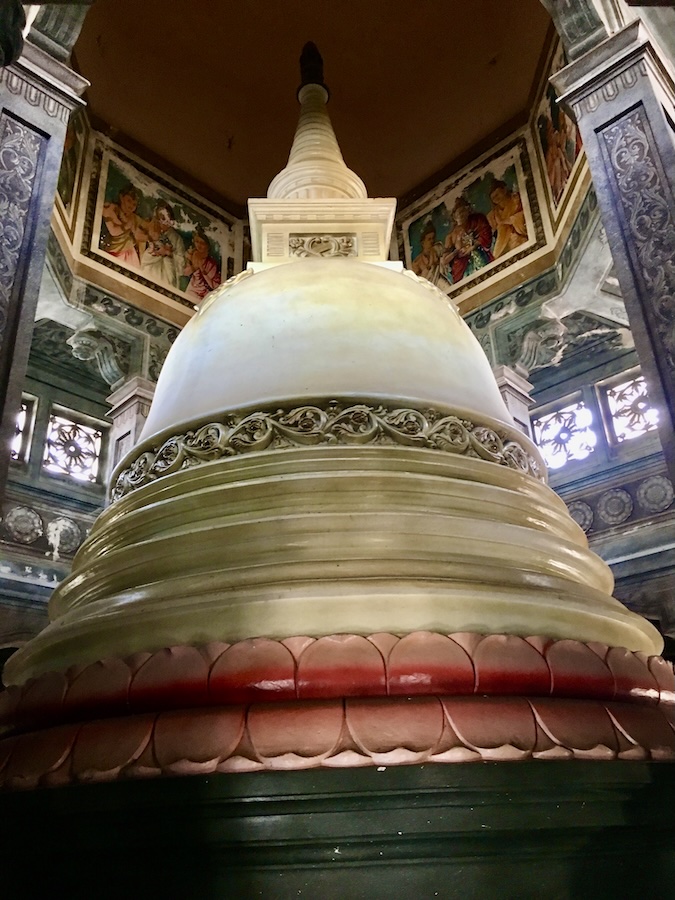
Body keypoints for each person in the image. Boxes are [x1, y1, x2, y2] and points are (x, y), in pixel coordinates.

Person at [440, 196, 493, 284]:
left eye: (463, 211)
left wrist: (472, 247)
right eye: (458, 213)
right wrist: (456, 252)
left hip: (478, 257)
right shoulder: (451, 236)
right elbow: (445, 260)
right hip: (462, 266)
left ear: (468, 211)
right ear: (454, 217)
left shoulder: (477, 221)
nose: (461, 215)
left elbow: (485, 234)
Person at [100, 184, 150, 268]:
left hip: (130, 255)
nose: (131, 206)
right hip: (113, 252)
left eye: (134, 204)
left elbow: (144, 233)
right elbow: (113, 232)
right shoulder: (111, 209)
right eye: (129, 201)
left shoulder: (134, 218)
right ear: (121, 197)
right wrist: (127, 226)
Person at [140, 201, 186, 289]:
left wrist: (168, 253)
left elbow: (181, 263)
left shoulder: (176, 238)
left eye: (167, 218)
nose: (164, 221)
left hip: (167, 275)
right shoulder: (152, 231)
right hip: (151, 268)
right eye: (161, 218)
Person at [487, 180, 528, 259]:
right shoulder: (494, 214)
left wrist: (507, 221)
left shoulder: (516, 200)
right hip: (502, 242)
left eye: (497, 194)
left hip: (517, 236)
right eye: (493, 198)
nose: (496, 198)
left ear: (504, 189)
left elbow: (523, 215)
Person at [184, 227, 221, 301]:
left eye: (202, 243)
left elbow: (213, 286)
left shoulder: (211, 264)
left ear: (207, 246)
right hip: (192, 290)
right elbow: (185, 273)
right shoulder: (191, 255)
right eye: (197, 242)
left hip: (204, 294)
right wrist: (194, 266)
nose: (199, 245)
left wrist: (201, 268)